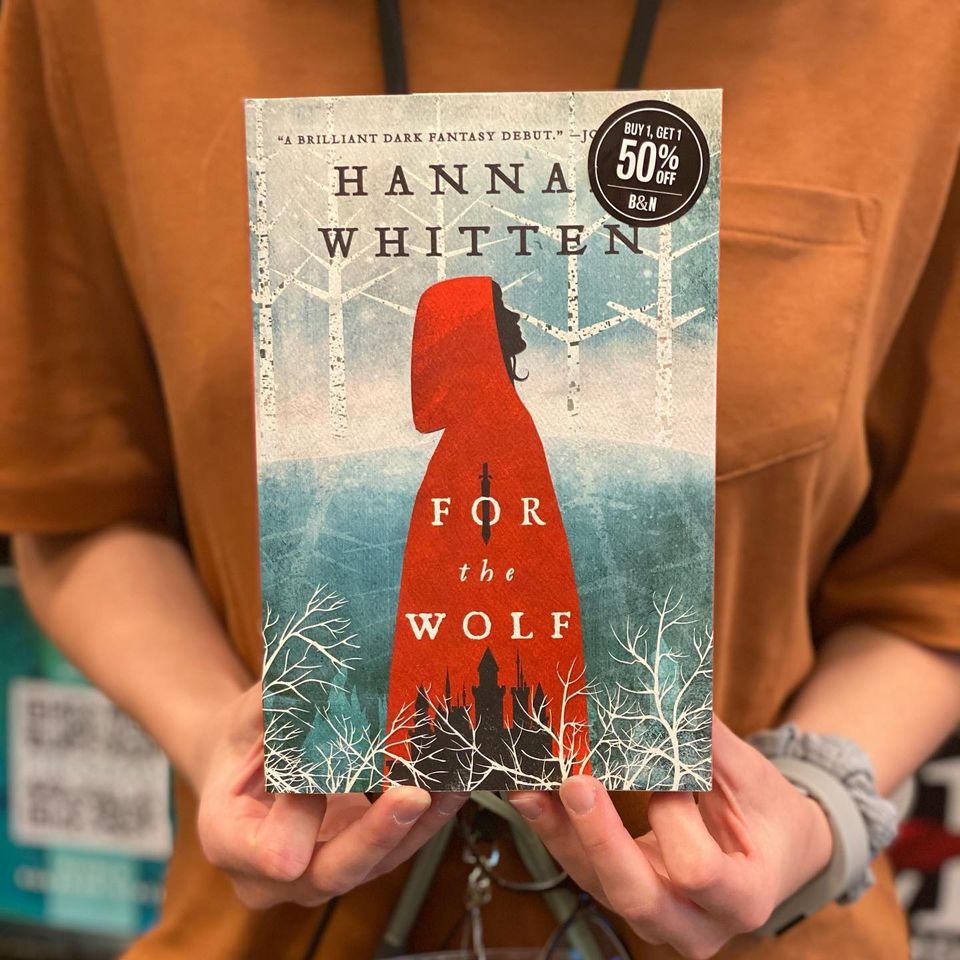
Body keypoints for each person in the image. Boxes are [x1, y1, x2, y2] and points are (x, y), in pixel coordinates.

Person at [1, 1, 959, 958]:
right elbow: (76, 502)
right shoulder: (98, 23)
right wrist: (214, 730)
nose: (522, 342)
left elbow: (934, 580)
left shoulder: (920, 35)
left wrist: (817, 810)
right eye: (502, 333)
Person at [386, 277, 591, 790]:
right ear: (475, 336)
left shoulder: (494, 426)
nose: (515, 317)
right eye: (500, 310)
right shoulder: (495, 429)